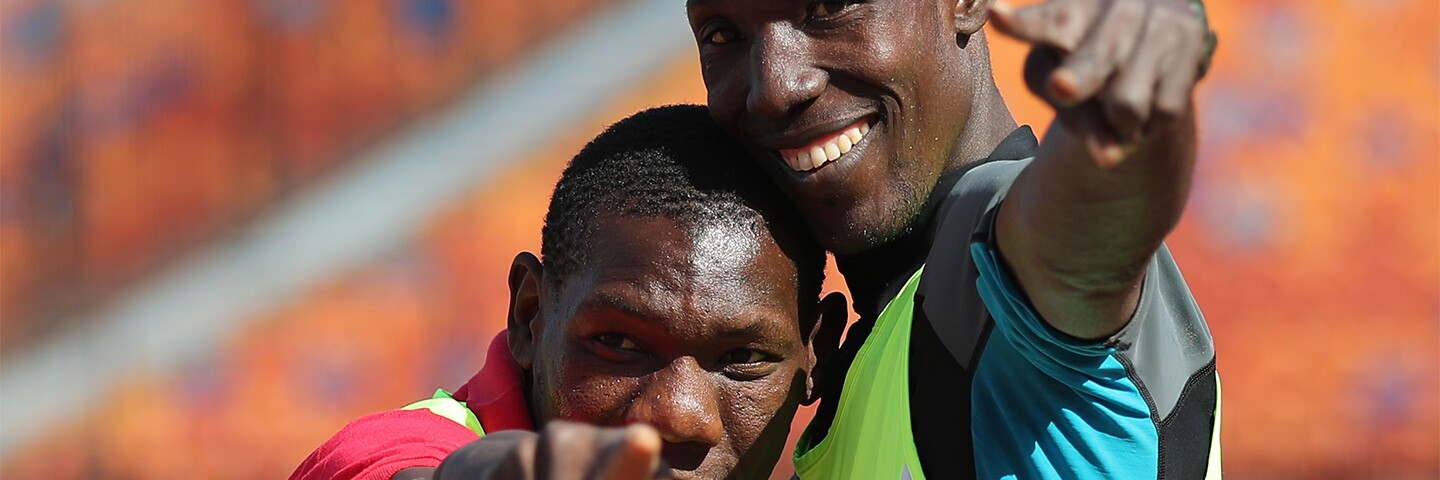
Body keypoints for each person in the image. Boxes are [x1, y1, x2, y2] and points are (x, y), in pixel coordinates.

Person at [681, 0, 1221, 478]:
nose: (775, 87)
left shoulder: (991, 271)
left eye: (832, 6)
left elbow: (1077, 240)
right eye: (723, 34)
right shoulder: (874, 347)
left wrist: (1136, 102)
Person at [289, 105, 847, 480]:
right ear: (530, 315)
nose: (679, 414)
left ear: (814, 359)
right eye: (617, 341)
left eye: (743, 358)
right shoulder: (392, 451)